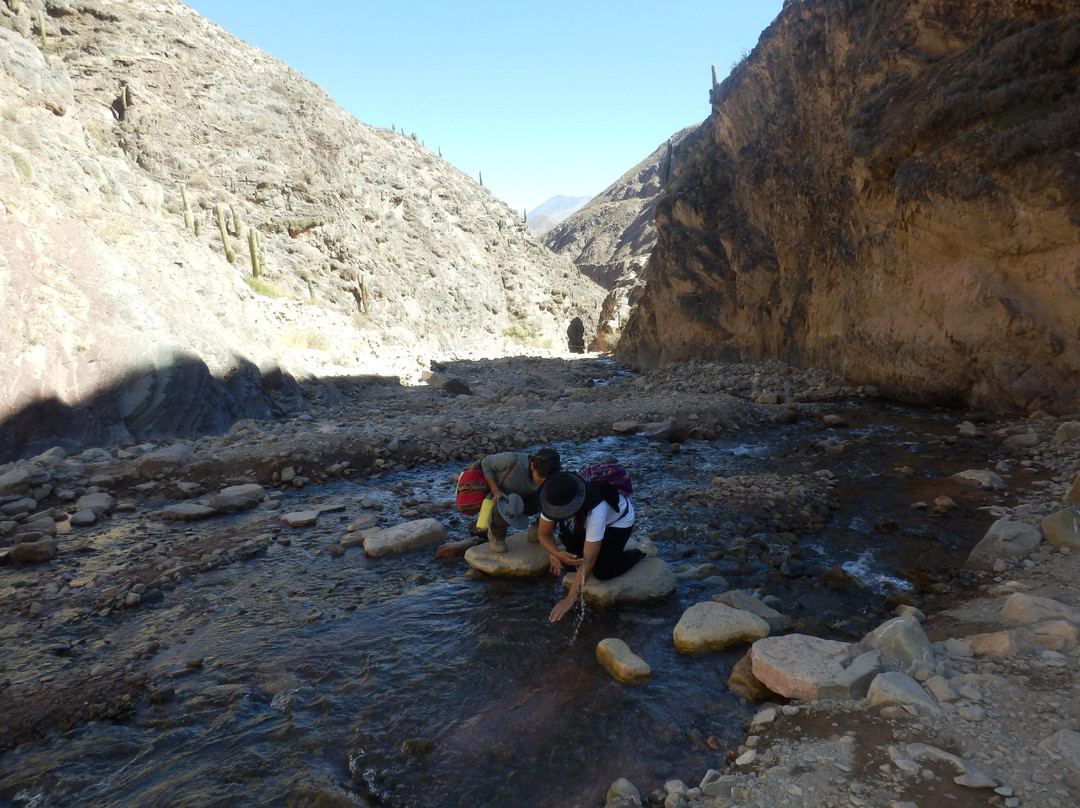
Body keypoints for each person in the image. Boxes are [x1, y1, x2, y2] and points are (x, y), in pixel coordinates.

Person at [537, 471, 644, 623]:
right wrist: (555, 553)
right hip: (585, 522)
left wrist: (570, 599)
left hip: (618, 523)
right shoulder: (553, 498)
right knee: (570, 563)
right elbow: (543, 535)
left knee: (602, 572)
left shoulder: (596, 509)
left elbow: (589, 560)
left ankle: (636, 554)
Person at [480, 448, 561, 552]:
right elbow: (485, 463)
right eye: (540, 478)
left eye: (547, 479)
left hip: (527, 501)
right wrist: (495, 490)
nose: (543, 482)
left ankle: (538, 530)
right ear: (532, 466)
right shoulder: (510, 460)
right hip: (504, 500)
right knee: (500, 548)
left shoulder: (552, 471)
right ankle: (497, 534)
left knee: (558, 495)